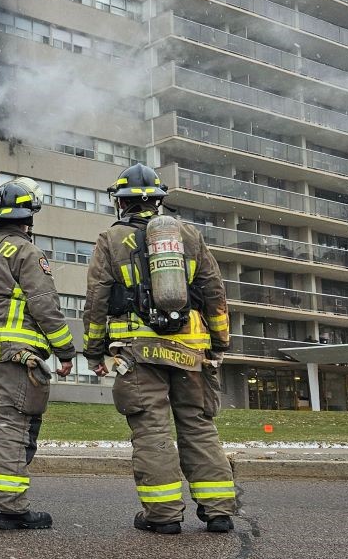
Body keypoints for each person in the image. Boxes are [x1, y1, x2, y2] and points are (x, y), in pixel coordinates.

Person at [83, 163, 236, 535]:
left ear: (121, 203)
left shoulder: (111, 239)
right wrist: (219, 343)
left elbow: (97, 300)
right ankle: (218, 511)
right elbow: (214, 293)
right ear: (159, 200)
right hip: (191, 351)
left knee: (151, 431)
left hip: (139, 354)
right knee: (198, 426)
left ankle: (164, 516)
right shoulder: (189, 234)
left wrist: (93, 351)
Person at [0, 178, 75, 530]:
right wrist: (65, 350)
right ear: (27, 219)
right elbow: (44, 305)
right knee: (11, 426)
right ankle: (8, 508)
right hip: (12, 355)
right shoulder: (26, 251)